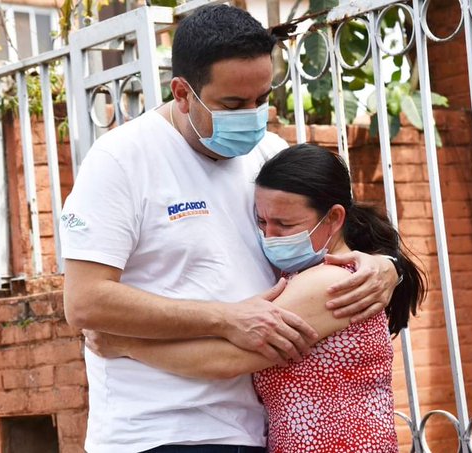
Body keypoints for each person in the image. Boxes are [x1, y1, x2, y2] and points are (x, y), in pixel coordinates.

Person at [59, 5, 401, 453]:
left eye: (261, 98)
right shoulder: (122, 160)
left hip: (256, 428)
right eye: (234, 104)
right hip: (160, 430)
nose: (252, 116)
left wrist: (385, 266)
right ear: (182, 93)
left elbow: (335, 233)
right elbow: (85, 301)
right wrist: (225, 317)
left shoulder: (269, 153)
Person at [90, 144, 427, 452]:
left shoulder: (330, 282)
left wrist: (126, 345)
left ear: (335, 218)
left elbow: (225, 360)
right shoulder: (302, 275)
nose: (269, 236)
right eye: (261, 221)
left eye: (285, 224)